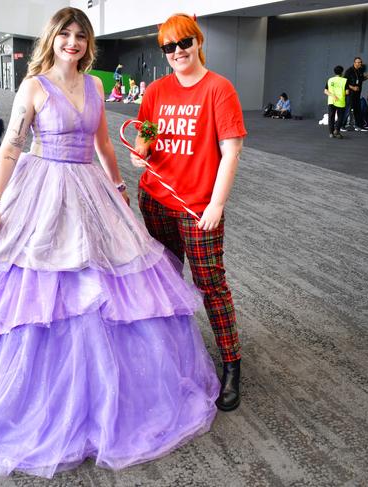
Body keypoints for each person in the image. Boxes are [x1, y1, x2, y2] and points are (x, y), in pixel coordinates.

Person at [0, 6, 220, 477]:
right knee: (34, 283)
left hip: (89, 188)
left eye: (81, 36)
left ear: (89, 44)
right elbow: (11, 146)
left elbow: (105, 145)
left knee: (102, 284)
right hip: (40, 188)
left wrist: (115, 188)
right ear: (51, 39)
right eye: (65, 34)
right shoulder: (34, 86)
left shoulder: (94, 86)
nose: (73, 42)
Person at [131, 13, 246, 412]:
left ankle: (231, 363)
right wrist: (142, 150)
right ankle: (174, 356)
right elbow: (147, 130)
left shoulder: (219, 89)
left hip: (198, 208)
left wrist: (216, 204)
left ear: (198, 42)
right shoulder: (158, 90)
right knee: (164, 280)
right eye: (169, 47)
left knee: (210, 284)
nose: (178, 52)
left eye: (184, 43)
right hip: (156, 197)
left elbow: (231, 151)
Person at [341, 57, 368, 131]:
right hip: (350, 94)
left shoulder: (360, 71)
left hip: (357, 94)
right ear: (354, 63)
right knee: (347, 109)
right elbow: (344, 81)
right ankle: (341, 126)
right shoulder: (349, 71)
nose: (360, 63)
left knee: (357, 110)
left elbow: (362, 79)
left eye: (360, 62)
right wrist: (352, 87)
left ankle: (358, 126)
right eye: (358, 62)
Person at [324, 65, 348, 139]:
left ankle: (331, 133)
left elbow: (325, 91)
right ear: (342, 72)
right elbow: (347, 92)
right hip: (341, 101)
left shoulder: (330, 80)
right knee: (341, 117)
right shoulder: (345, 80)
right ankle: (337, 130)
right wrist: (341, 94)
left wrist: (333, 95)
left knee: (331, 117)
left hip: (331, 101)